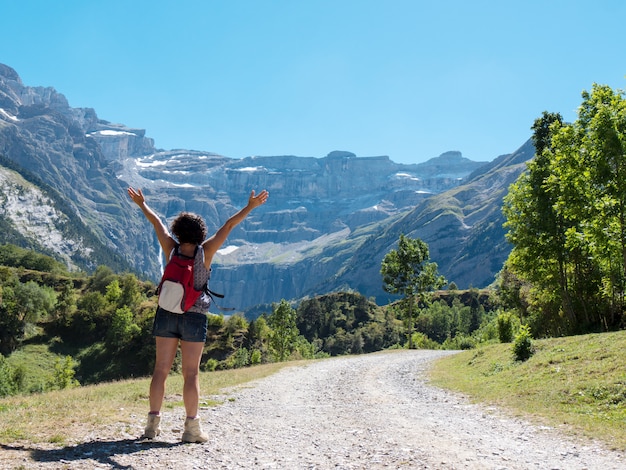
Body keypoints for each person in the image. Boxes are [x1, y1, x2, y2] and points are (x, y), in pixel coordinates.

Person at [127, 186, 269, 443]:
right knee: (190, 374)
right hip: (194, 317)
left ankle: (151, 426)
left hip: (167, 312)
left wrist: (141, 203)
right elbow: (228, 226)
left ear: (178, 232)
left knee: (160, 370)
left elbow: (156, 222)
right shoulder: (205, 253)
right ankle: (191, 430)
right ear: (201, 233)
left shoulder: (170, 248)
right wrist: (250, 206)